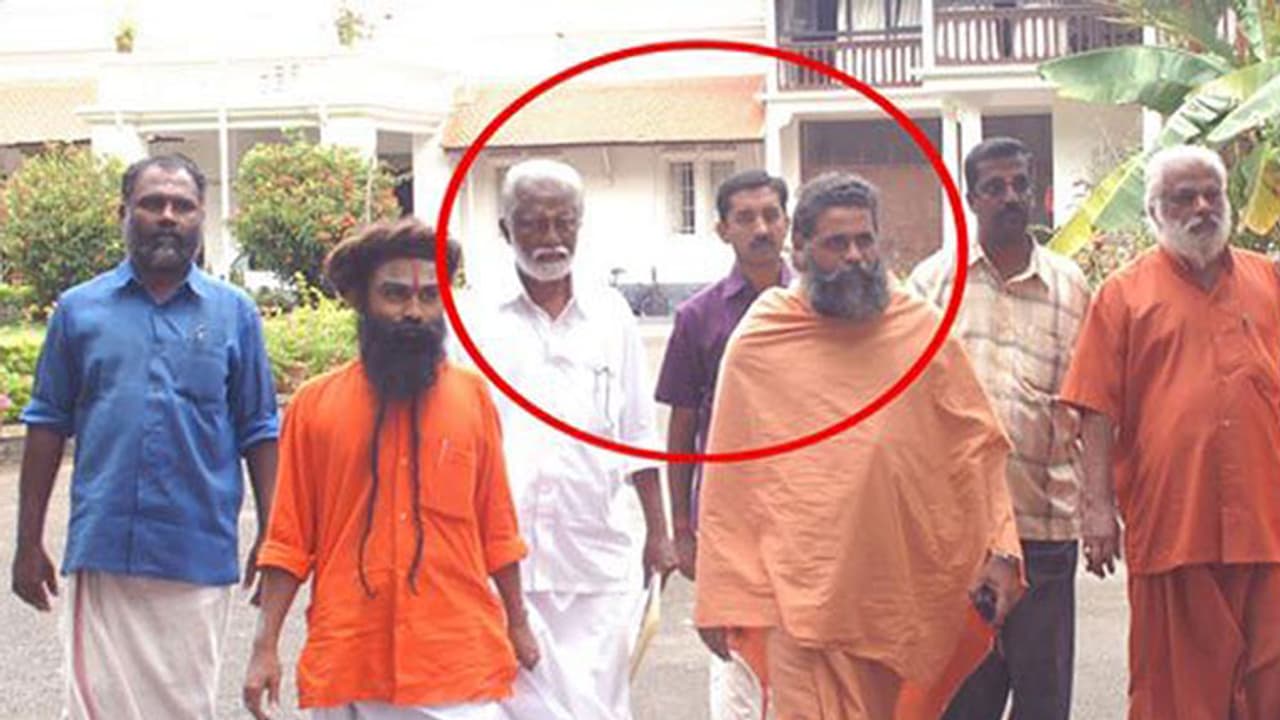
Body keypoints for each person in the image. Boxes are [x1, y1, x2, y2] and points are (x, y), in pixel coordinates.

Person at [694, 172, 1024, 718]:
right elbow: (729, 479)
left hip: (894, 592)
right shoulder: (762, 340)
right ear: (801, 249)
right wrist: (720, 592)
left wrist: (1002, 546)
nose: (854, 256)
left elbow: (976, 448)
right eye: (836, 243)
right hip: (796, 596)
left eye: (864, 241)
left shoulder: (917, 328)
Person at [10, 154, 280, 719]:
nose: (167, 216)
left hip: (198, 550)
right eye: (152, 203)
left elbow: (258, 428)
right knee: (96, 709)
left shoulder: (235, 314)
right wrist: (27, 541)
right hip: (104, 550)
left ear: (201, 217)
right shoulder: (79, 311)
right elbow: (47, 422)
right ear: (124, 213)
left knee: (186, 709)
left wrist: (272, 533)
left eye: (183, 206)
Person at [243, 219, 537, 720]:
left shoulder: (472, 398)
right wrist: (264, 645)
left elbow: (498, 529)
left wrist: (518, 621)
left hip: (455, 663)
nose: (414, 312)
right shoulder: (314, 406)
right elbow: (288, 541)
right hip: (351, 660)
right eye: (395, 294)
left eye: (429, 296)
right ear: (361, 300)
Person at [1059, 144, 1280, 719]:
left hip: (1266, 519)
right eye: (1185, 197)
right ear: (1155, 210)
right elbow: (1095, 406)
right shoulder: (1123, 294)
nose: (1203, 207)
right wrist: (1097, 508)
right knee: (1176, 689)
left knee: (1269, 684)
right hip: (1174, 521)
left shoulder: (1268, 281)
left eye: (1212, 194)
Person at [457, 158, 675, 720]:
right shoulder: (471, 318)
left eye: (564, 222)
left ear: (580, 223)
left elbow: (638, 433)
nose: (550, 238)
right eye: (533, 223)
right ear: (506, 228)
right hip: (501, 561)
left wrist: (659, 533)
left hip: (594, 556)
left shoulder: (611, 315)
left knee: (599, 708)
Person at [909, 137, 1092, 720]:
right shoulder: (932, 286)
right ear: (971, 198)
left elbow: (1091, 404)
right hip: (959, 535)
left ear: (1035, 192)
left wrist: (1100, 503)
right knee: (966, 701)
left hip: (1045, 526)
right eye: (994, 187)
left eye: (1019, 184)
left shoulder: (1071, 287)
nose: (1010, 197)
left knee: (1043, 702)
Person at [653, 168, 791, 719]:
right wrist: (683, 530)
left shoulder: (817, 304)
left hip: (805, 513)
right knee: (735, 663)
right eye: (745, 218)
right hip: (729, 518)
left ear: (787, 222)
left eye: (771, 215)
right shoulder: (699, 317)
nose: (761, 228)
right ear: (722, 229)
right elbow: (682, 430)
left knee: (807, 658)